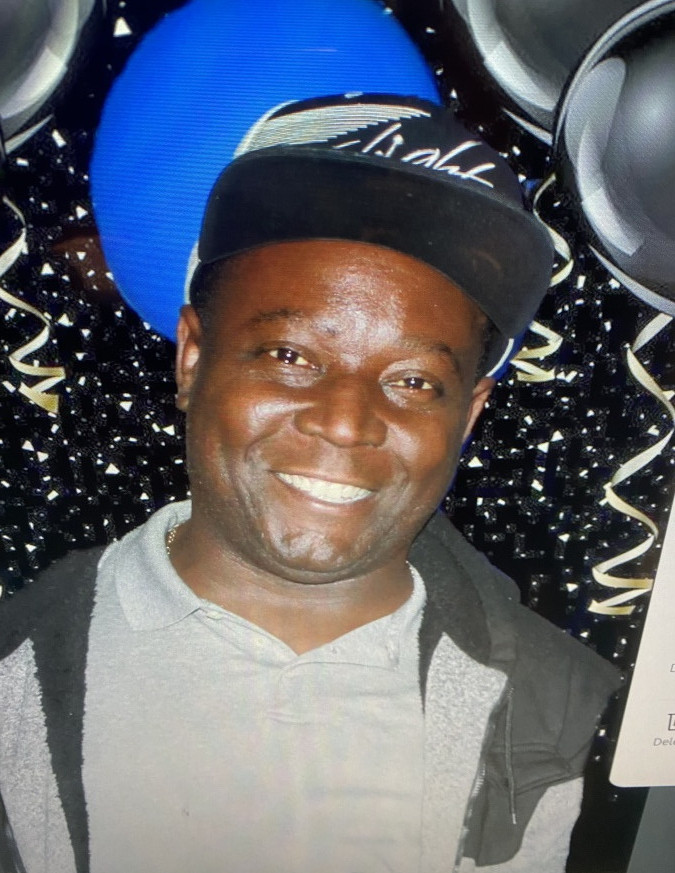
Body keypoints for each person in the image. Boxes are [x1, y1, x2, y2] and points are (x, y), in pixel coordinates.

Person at [0, 94, 618, 873]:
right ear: (192, 358)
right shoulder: (15, 674)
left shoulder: (571, 721)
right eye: (290, 355)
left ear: (467, 415)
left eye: (414, 380)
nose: (345, 421)